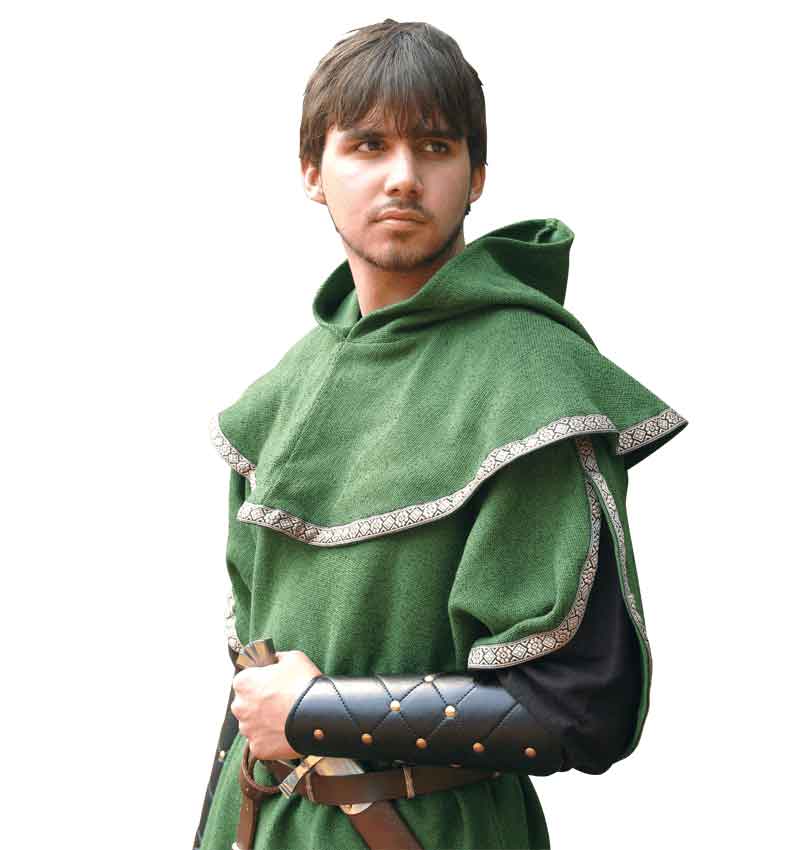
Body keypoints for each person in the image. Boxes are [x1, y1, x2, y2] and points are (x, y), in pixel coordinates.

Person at [193, 18, 688, 850]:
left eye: (434, 147)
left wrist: (319, 713)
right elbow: (251, 699)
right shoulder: (274, 402)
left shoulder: (533, 380)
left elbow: (585, 705)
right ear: (313, 171)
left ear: (476, 175)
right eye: (367, 145)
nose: (402, 176)